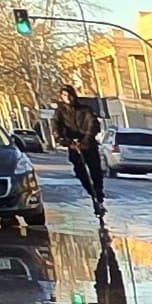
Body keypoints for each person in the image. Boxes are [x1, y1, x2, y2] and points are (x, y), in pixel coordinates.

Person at [51, 86, 108, 217]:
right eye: (65, 96)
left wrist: (85, 141)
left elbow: (93, 125)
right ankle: (92, 193)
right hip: (73, 148)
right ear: (62, 97)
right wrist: (66, 141)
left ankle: (99, 197)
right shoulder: (60, 112)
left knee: (96, 173)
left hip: (89, 146)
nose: (68, 98)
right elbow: (56, 128)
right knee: (81, 173)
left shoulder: (85, 110)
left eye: (70, 95)